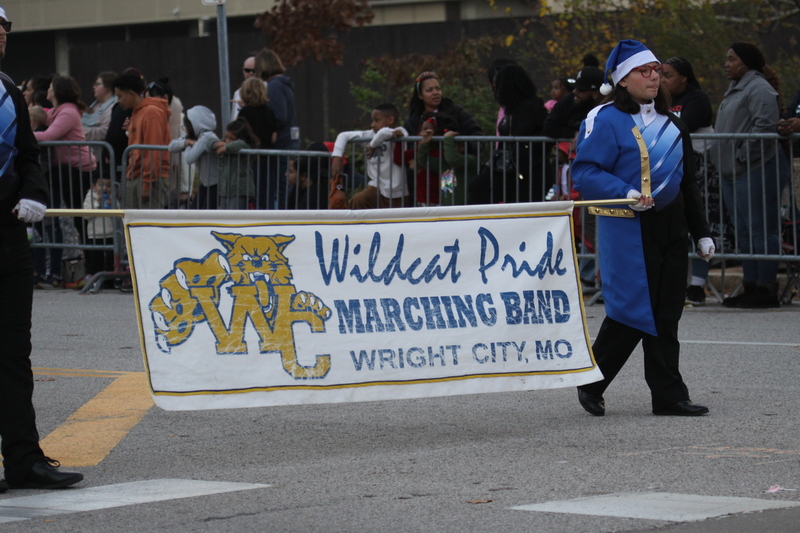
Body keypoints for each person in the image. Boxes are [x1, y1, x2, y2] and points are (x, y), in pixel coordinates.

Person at [572, 39, 714, 417]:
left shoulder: (674, 124)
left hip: (670, 226)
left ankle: (668, 395)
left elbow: (687, 184)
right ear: (622, 80)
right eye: (644, 71)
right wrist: (626, 192)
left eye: (657, 70)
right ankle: (591, 381)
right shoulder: (603, 119)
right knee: (630, 311)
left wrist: (701, 232)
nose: (655, 77)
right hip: (627, 227)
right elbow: (585, 171)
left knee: (667, 311)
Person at [0, 5, 84, 490]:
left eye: (5, 29)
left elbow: (29, 156)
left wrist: (33, 193)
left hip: (8, 238)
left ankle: (23, 459)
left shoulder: (8, 90)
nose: (2, 36)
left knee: (13, 355)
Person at [713, 43, 790, 308]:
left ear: (745, 63)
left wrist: (742, 157)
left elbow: (764, 127)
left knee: (761, 229)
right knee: (744, 231)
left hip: (757, 168)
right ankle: (751, 286)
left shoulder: (758, 88)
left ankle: (766, 289)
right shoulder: (736, 89)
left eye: (731, 59)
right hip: (734, 172)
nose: (727, 64)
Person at [661, 56, 728, 306]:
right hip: (671, 166)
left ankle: (698, 284)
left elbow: (681, 127)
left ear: (684, 78)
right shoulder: (663, 100)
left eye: (668, 75)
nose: (663, 80)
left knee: (701, 220)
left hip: (701, 167)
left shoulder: (696, 99)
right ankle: (679, 283)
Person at [32, 75, 98, 288]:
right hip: (67, 170)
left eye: (50, 87)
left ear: (57, 91)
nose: (48, 90)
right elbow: (42, 116)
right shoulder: (59, 111)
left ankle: (93, 268)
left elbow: (50, 135)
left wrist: (24, 134)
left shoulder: (67, 112)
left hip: (79, 170)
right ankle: (89, 267)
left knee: (81, 218)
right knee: (75, 218)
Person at [468, 64, 549, 204]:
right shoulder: (512, 108)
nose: (495, 90)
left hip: (527, 173)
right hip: (510, 171)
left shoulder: (530, 106)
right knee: (478, 186)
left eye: (497, 85)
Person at [330, 103, 410, 209]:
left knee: (395, 222)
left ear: (390, 120)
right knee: (357, 201)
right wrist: (337, 157)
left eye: (377, 120)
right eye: (372, 121)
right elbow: (343, 135)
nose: (372, 125)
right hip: (376, 186)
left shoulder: (400, 132)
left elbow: (385, 132)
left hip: (396, 190)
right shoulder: (369, 135)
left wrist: (372, 146)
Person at [113, 71, 171, 208]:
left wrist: (147, 182)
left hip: (148, 178)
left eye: (120, 96)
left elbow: (152, 151)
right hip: (136, 175)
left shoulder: (151, 112)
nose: (118, 101)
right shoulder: (139, 112)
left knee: (148, 225)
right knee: (135, 225)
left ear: (131, 94)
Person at [254, 48, 299, 209]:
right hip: (288, 141)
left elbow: (280, 115)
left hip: (281, 143)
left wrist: (268, 128)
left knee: (282, 185)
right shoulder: (283, 84)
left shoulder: (275, 86)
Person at [413, 111, 475, 206]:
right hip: (447, 209)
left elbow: (452, 159)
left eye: (450, 146)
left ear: (462, 146)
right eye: (445, 147)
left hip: (466, 210)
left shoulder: (470, 160)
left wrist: (448, 140)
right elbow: (424, 161)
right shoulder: (445, 165)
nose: (447, 150)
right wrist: (424, 144)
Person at [67, 175, 117, 289]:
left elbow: (119, 214)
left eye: (108, 185)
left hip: (110, 233)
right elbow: (86, 215)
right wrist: (98, 205)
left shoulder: (113, 197)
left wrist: (113, 204)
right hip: (95, 234)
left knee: (110, 259)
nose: (104, 188)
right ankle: (95, 280)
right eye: (101, 185)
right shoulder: (90, 197)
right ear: (94, 186)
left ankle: (109, 282)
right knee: (96, 259)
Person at [403, 71, 483, 140]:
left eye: (438, 89)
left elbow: (476, 133)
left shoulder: (455, 111)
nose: (435, 92)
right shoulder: (414, 120)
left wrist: (462, 148)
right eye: (429, 90)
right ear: (420, 95)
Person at [237, 77, 278, 209]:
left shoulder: (244, 113)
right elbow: (274, 138)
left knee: (251, 194)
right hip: (268, 158)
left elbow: (239, 135)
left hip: (251, 159)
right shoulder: (270, 111)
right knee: (267, 194)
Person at [168, 106, 220, 209]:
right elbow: (171, 146)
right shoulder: (196, 137)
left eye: (186, 126)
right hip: (205, 183)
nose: (185, 129)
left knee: (204, 216)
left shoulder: (207, 137)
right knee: (195, 212)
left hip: (215, 185)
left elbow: (189, 158)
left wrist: (188, 145)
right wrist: (187, 142)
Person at [212, 118, 258, 210]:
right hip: (225, 189)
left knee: (234, 217)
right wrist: (218, 144)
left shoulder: (244, 145)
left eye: (232, 139)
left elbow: (241, 144)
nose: (227, 141)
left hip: (239, 190)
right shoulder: (226, 143)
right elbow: (210, 144)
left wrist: (225, 147)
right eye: (226, 137)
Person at [81, 71, 117, 164]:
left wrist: (82, 131)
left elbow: (105, 131)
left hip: (100, 157)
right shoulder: (95, 105)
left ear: (108, 87)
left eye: (97, 84)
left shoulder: (112, 107)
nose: (94, 87)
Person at [286, 142, 329, 210]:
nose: (286, 174)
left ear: (303, 175)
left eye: (290, 171)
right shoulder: (299, 188)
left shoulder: (317, 190)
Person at [231, 55, 256, 121]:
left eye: (254, 70)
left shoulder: (267, 90)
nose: (251, 73)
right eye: (247, 70)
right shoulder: (238, 93)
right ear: (243, 71)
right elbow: (234, 117)